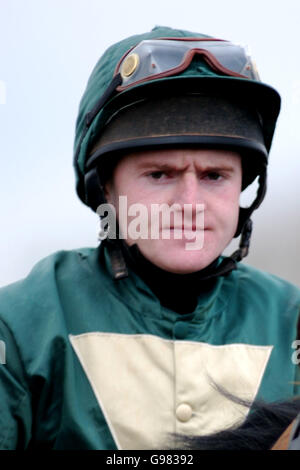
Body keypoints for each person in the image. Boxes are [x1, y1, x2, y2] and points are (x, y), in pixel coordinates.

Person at [0, 25, 300, 450]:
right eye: (160, 174)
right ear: (106, 188)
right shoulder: (17, 327)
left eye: (215, 176)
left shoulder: (294, 322)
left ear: (242, 193)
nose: (190, 202)